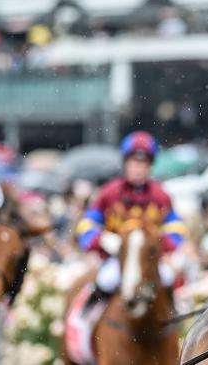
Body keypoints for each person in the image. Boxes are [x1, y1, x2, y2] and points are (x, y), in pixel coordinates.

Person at [76, 131, 187, 314]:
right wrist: (102, 240)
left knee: (167, 278)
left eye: (144, 163)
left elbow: (176, 229)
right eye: (134, 162)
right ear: (125, 163)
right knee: (106, 279)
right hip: (116, 259)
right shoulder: (109, 193)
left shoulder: (160, 195)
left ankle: (172, 317)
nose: (139, 168)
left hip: (150, 261)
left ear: (150, 166)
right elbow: (85, 226)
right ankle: (87, 319)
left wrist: (157, 245)